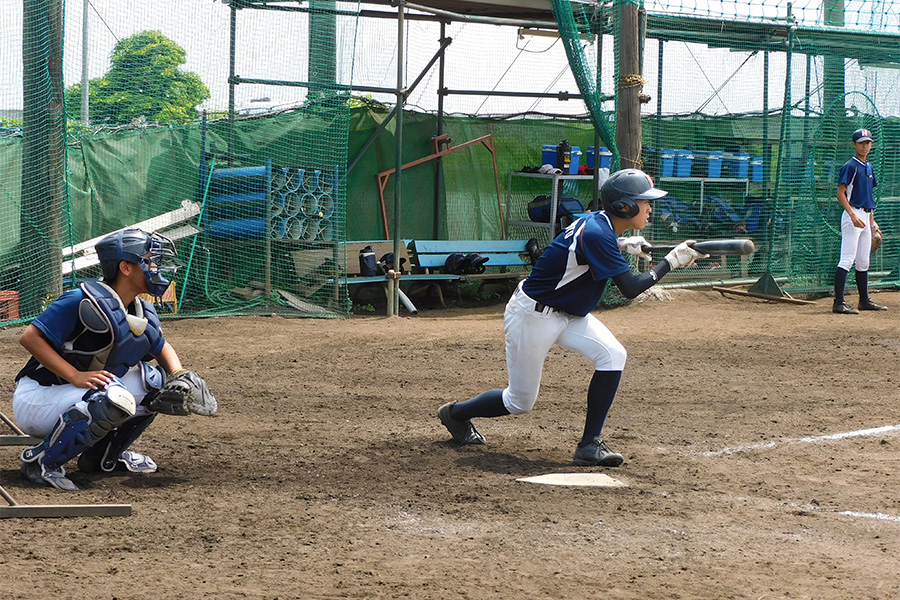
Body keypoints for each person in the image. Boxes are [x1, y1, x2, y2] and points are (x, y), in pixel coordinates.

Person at [438, 169, 706, 466]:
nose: (650, 208)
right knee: (519, 402)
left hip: (568, 313)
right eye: (644, 202)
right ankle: (455, 414)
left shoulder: (599, 225)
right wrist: (670, 262)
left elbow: (577, 248)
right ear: (624, 207)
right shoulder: (597, 232)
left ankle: (589, 445)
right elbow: (629, 288)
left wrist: (620, 244)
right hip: (534, 315)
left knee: (613, 354)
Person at [14, 229, 185, 491]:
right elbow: (30, 337)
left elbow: (162, 347)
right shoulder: (81, 300)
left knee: (158, 385)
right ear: (125, 267)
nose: (155, 267)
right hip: (38, 398)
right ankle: (41, 461)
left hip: (73, 396)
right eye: (149, 260)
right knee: (111, 396)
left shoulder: (140, 309)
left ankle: (102, 457)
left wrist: (180, 375)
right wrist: (74, 375)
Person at [833, 128, 886, 314]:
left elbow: (868, 197)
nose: (865, 146)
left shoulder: (869, 167)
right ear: (853, 144)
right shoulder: (850, 166)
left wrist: (872, 222)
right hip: (852, 214)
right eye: (862, 142)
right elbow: (841, 193)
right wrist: (852, 214)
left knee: (864, 261)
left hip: (865, 215)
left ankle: (864, 300)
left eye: (868, 142)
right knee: (847, 258)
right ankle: (838, 303)